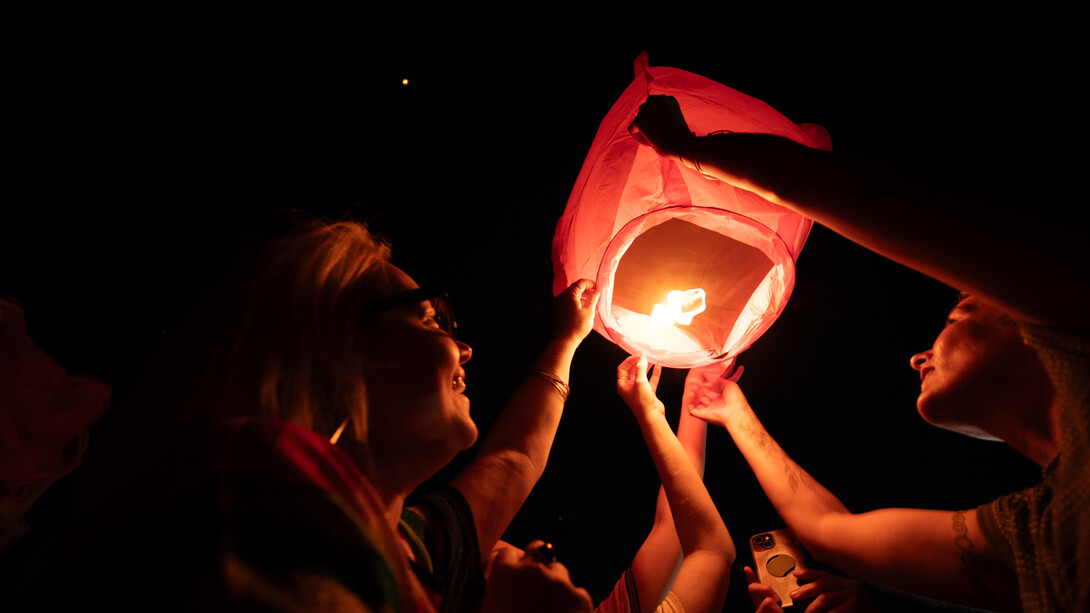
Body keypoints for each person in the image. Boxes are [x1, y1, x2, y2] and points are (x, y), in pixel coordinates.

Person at [633, 94, 1088, 611]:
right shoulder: (1033, 537)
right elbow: (830, 531)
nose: (918, 358)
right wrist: (734, 413)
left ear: (1028, 325)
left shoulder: (1075, 310)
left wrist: (689, 151)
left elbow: (893, 204)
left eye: (957, 315)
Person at [6, 219, 598, 612]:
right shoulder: (259, 496)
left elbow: (513, 461)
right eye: (431, 320)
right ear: (332, 348)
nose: (463, 348)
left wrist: (567, 342)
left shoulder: (403, 544)